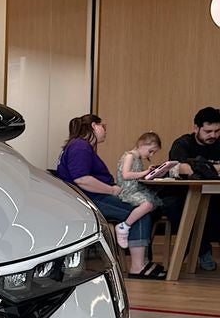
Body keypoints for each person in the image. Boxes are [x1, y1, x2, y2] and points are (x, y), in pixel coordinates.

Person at [57, 113, 163, 279]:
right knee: (140, 211)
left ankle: (141, 262)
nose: (105, 131)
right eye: (103, 126)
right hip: (91, 199)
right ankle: (138, 266)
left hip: (88, 197)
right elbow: (82, 179)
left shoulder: (78, 145)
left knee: (142, 208)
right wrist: (111, 190)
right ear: (94, 126)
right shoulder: (80, 146)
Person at [161, 106, 220, 270]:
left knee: (211, 209)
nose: (213, 135)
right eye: (208, 131)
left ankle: (200, 250)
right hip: (181, 193)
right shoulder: (183, 143)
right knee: (174, 207)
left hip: (213, 194)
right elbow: (180, 167)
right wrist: (212, 168)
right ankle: (202, 250)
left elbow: (190, 167)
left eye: (217, 131)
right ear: (196, 128)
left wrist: (201, 167)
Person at [114, 132, 163, 249]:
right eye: (150, 151)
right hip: (127, 191)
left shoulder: (138, 158)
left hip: (136, 189)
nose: (151, 155)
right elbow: (126, 175)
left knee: (154, 202)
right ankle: (124, 226)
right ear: (141, 144)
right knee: (148, 204)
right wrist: (145, 172)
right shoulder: (129, 156)